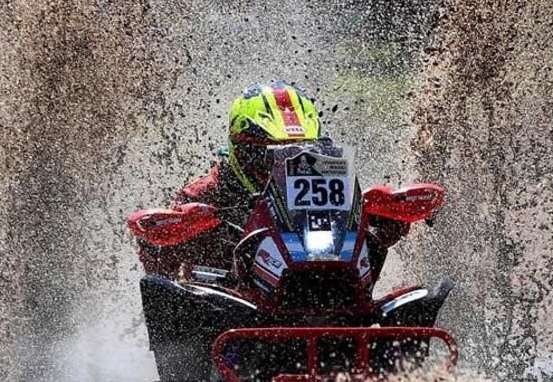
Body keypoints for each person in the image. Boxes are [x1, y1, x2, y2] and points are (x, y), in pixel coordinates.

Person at [139, 81, 409, 280]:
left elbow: (369, 231)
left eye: (298, 151)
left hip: (322, 286)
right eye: (266, 154)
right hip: (231, 306)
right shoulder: (203, 193)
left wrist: (388, 215)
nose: (281, 163)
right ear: (239, 148)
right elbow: (157, 258)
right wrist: (183, 227)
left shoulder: (324, 179)